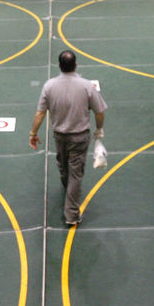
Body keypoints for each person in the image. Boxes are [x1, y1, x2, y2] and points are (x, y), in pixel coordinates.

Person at [28, 50, 108, 228]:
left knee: (63, 165)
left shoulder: (49, 86)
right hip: (79, 136)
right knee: (76, 174)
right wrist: (99, 130)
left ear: (59, 66)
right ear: (76, 65)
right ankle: (71, 215)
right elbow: (99, 111)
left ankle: (66, 184)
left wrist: (33, 133)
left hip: (59, 136)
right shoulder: (87, 86)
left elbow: (40, 112)